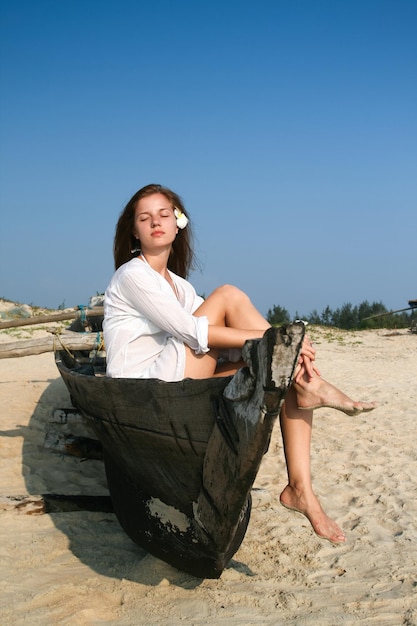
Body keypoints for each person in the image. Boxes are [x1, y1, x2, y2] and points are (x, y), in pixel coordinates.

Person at [103, 183, 377, 545]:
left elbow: (216, 341)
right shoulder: (131, 275)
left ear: (178, 222)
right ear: (134, 231)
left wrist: (276, 350)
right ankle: (305, 379)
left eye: (164, 214)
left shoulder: (182, 289)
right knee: (230, 297)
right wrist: (272, 341)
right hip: (141, 394)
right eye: (145, 217)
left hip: (174, 380)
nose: (156, 222)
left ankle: (300, 488)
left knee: (274, 373)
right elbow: (193, 331)